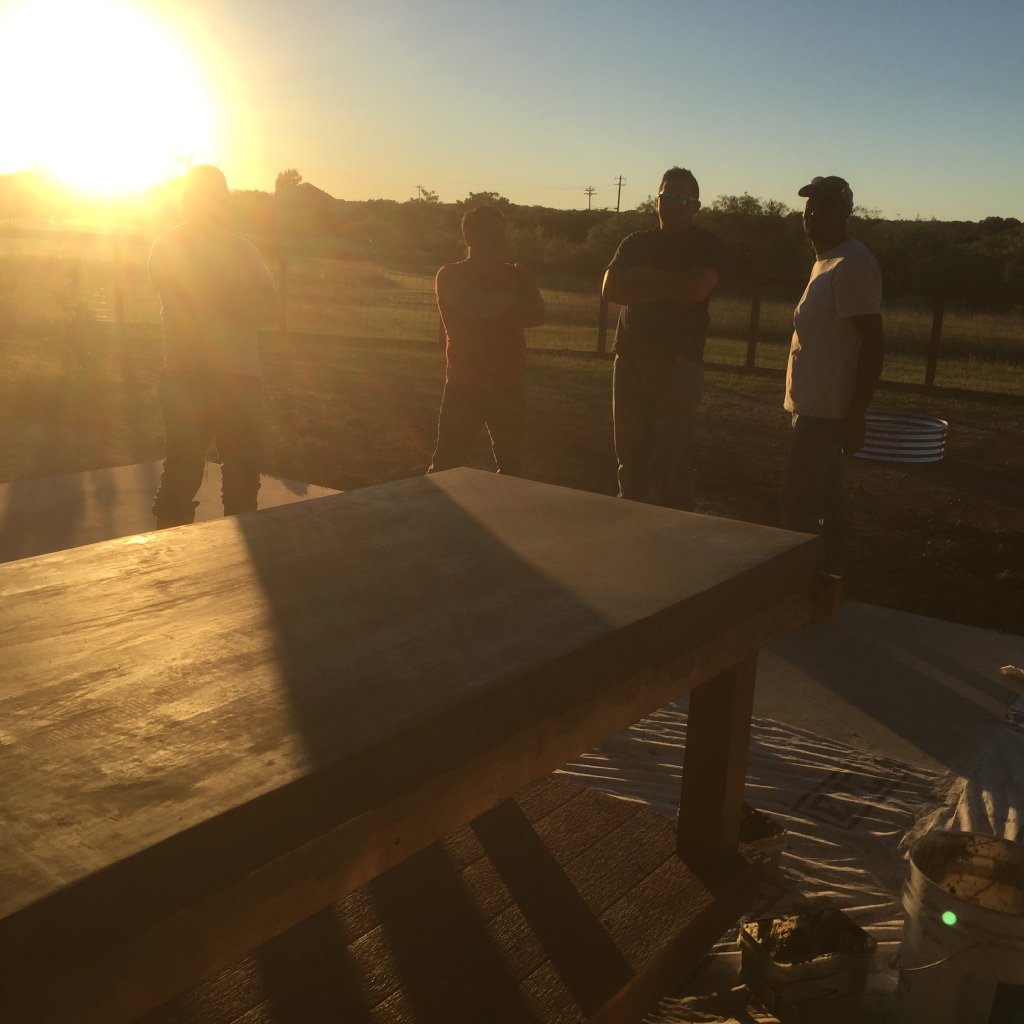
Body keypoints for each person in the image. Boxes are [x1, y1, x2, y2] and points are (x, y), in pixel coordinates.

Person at [147, 165, 277, 528]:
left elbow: (269, 309)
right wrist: (236, 296)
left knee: (241, 478)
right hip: (191, 377)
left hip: (233, 380)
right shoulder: (168, 247)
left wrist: (214, 293)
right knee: (183, 474)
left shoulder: (242, 249)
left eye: (216, 198)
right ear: (189, 201)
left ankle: (228, 556)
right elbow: (190, 303)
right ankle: (170, 556)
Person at [780, 175, 885, 574]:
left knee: (795, 504)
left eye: (825, 207)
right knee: (827, 501)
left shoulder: (852, 264)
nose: (814, 215)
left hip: (828, 412)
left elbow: (872, 343)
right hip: (812, 406)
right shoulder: (825, 261)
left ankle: (808, 580)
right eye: (810, 207)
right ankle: (830, 580)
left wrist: (856, 414)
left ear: (846, 213)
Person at [601, 166, 722, 510]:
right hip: (629, 360)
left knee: (673, 461)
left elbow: (695, 290)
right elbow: (610, 289)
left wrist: (642, 276)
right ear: (656, 201)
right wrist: (672, 288)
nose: (671, 204)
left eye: (681, 199)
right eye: (666, 197)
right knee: (629, 459)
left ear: (695, 206)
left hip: (678, 364)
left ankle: (678, 531)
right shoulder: (634, 242)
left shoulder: (706, 245)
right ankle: (629, 523)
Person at [428, 205, 545, 476]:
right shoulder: (450, 274)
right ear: (468, 236)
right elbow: (470, 307)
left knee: (512, 468)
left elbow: (537, 314)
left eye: (500, 233)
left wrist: (487, 304)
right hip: (464, 383)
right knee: (446, 464)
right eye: (489, 233)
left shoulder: (518, 274)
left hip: (509, 383)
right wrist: (512, 300)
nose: (498, 240)